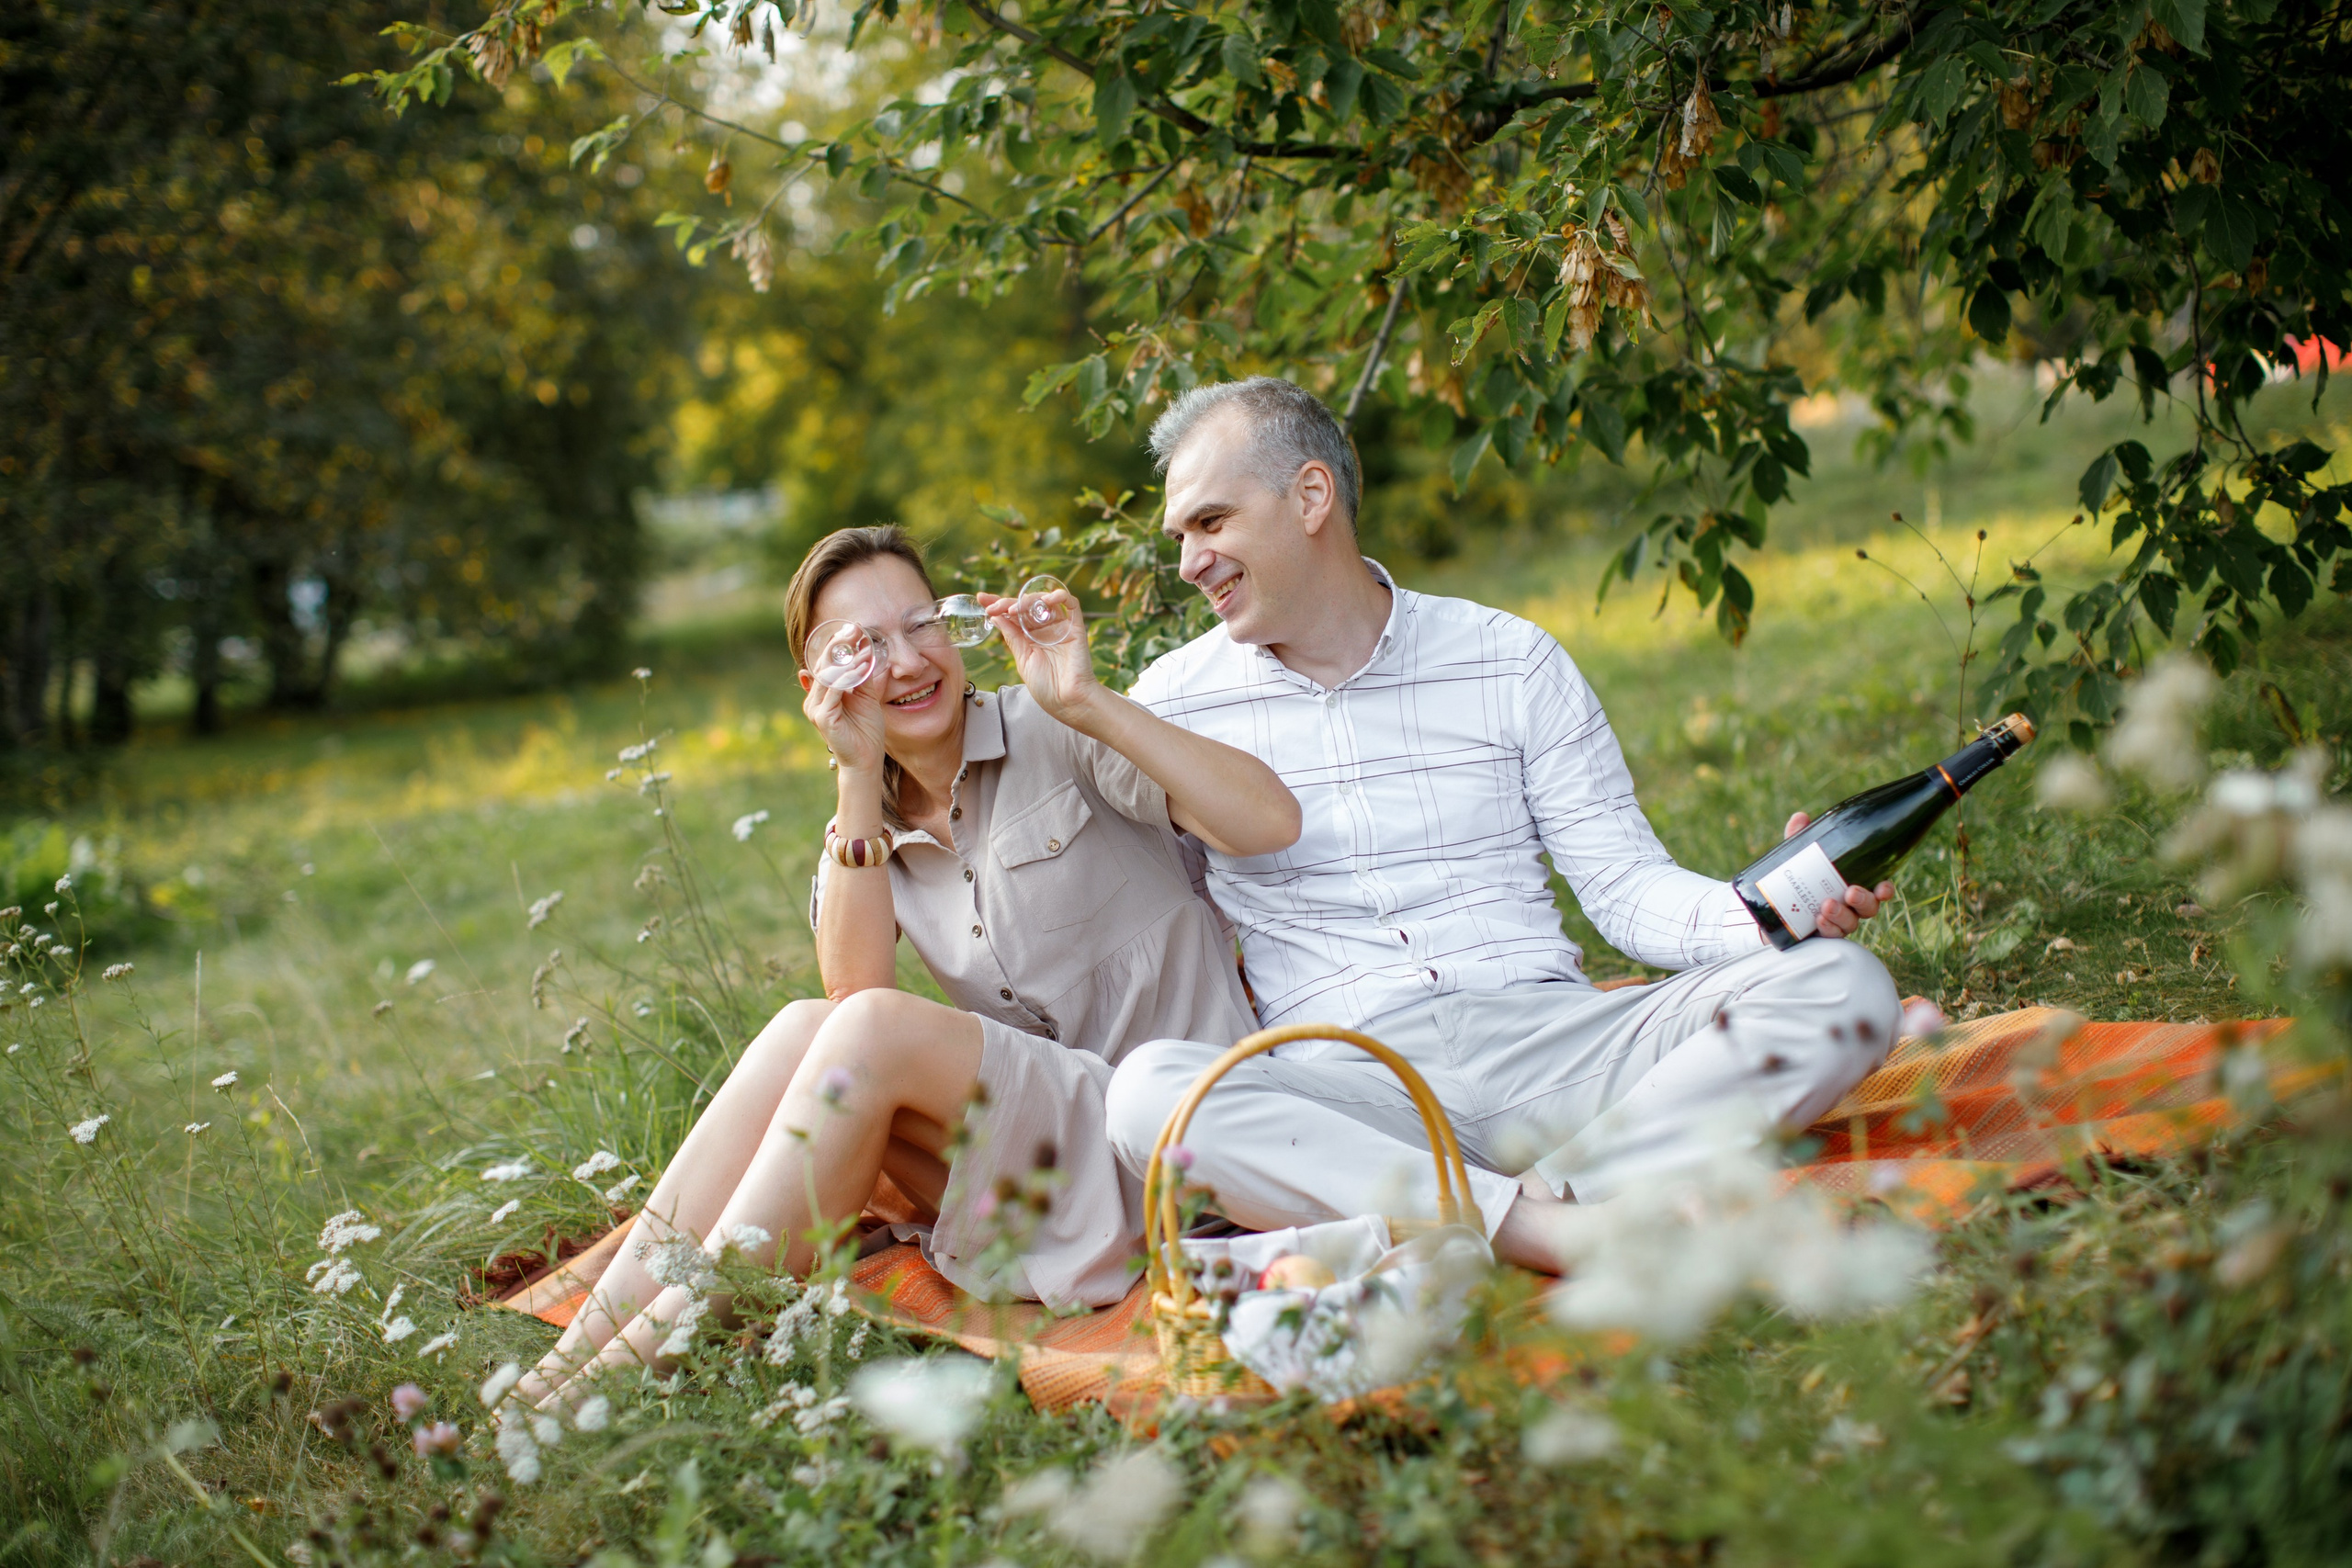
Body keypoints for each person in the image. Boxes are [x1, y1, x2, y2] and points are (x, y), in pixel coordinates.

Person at [1101, 378, 1905, 1272]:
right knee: (1148, 1097)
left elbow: (1625, 891)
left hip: (1558, 1050)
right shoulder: (1167, 706)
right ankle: (1565, 1225)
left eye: (1210, 523)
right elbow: (1138, 925)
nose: (1187, 562)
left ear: (1311, 497)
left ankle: (1516, 1212)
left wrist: (1759, 917)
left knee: (1843, 988)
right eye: (1180, 537)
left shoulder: (1505, 659)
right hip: (1355, 1088)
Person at [520, 525, 1298, 1404]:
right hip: (1045, 1165)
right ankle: (569, 1360)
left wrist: (1086, 697)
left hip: (1174, 1137)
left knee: (863, 1029)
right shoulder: (867, 821)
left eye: (921, 623)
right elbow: (850, 1002)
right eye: (863, 648)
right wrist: (854, 778)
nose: (906, 661)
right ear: (820, 689)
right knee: (803, 1027)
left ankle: (625, 1371)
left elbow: (1268, 821)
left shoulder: (1056, 724)